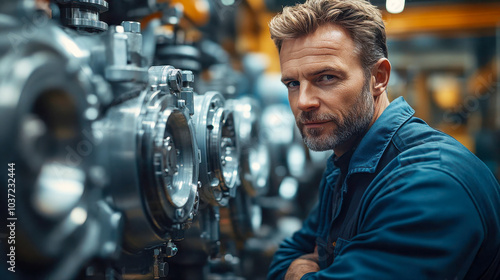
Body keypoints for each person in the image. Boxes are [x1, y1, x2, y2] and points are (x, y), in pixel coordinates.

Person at [267, 0, 500, 279]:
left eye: (326, 77)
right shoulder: (345, 164)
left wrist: (303, 268)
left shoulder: (428, 182)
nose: (303, 101)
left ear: (378, 77)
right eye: (293, 83)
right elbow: (285, 256)